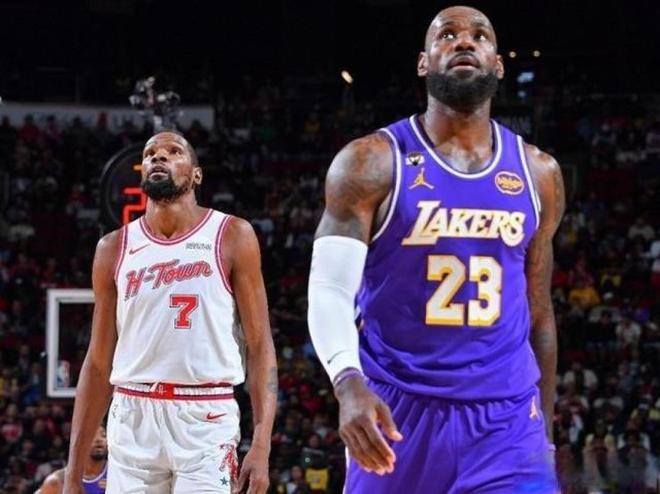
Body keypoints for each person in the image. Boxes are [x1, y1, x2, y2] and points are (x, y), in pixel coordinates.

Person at [307, 6, 564, 492]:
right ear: (423, 62)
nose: (464, 41)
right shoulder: (369, 162)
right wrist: (347, 382)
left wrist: (544, 435)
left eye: (480, 35)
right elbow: (329, 290)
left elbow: (539, 312)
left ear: (498, 64)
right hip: (398, 409)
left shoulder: (539, 174)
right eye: (446, 35)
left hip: (506, 420)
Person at [63, 131, 277, 494]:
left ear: (196, 174)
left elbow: (260, 346)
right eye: (150, 154)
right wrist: (73, 472)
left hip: (206, 416)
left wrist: (262, 443)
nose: (158, 157)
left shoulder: (233, 235)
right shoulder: (112, 248)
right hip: (133, 414)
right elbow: (98, 363)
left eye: (173, 151)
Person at [35, 426, 108, 494]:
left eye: (103, 435)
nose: (99, 439)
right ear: (78, 441)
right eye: (92, 435)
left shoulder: (114, 475)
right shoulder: (57, 481)